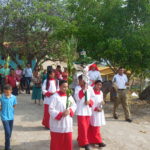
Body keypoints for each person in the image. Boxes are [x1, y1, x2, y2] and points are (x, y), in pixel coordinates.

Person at [49, 80, 77, 150]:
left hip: (67, 122)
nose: (66, 88)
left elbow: (74, 105)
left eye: (67, 87)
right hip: (57, 123)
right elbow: (50, 109)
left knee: (67, 141)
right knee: (57, 142)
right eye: (64, 87)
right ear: (59, 87)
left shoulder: (69, 96)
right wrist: (61, 114)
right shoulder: (55, 96)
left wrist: (70, 110)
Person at [76, 75, 95, 150]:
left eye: (81, 80)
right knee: (83, 127)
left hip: (88, 110)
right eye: (79, 80)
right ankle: (85, 143)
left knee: (85, 127)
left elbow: (93, 97)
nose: (79, 82)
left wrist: (90, 102)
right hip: (81, 111)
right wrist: (83, 90)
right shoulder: (78, 88)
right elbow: (77, 97)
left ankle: (81, 140)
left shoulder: (90, 88)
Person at [88, 80, 106, 147]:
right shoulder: (91, 92)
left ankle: (94, 140)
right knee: (93, 126)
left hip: (99, 111)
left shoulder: (101, 92)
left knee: (97, 126)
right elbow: (89, 102)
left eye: (100, 85)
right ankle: (98, 141)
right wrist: (95, 108)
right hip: (92, 111)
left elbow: (101, 101)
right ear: (94, 84)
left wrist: (101, 106)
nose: (99, 86)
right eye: (98, 84)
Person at [0, 84, 17, 150]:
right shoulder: (1, 98)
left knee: (9, 132)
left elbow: (15, 105)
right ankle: (7, 147)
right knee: (7, 132)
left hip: (11, 117)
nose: (6, 93)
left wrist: (11, 109)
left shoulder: (14, 97)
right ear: (4, 91)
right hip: (4, 117)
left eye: (8, 92)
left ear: (11, 91)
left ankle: (7, 142)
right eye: (5, 92)